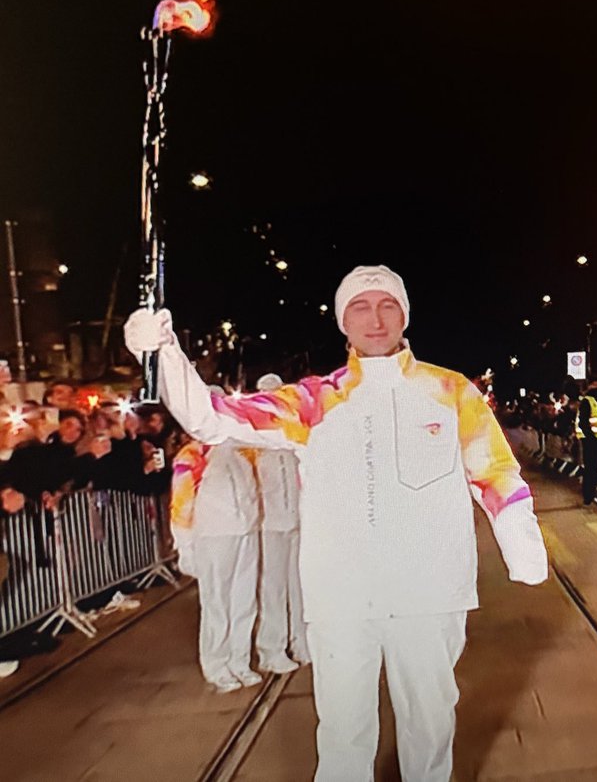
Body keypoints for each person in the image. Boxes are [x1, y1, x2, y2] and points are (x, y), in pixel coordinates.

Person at [124, 264, 547, 782]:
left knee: (430, 726)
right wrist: (163, 352)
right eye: (360, 308)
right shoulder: (312, 400)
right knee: (344, 735)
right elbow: (212, 417)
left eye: (387, 305)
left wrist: (521, 544)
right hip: (343, 597)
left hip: (430, 593)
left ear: (404, 316)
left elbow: (496, 471)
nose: (375, 319)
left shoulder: (451, 390)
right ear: (343, 323)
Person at [171, 422, 264, 694]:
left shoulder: (244, 452)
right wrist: (184, 546)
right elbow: (180, 503)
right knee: (217, 603)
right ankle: (216, 664)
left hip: (246, 532)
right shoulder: (191, 456)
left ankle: (240, 660)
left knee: (244, 601)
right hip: (214, 536)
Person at [252, 373, 310, 673]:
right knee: (272, 588)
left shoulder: (292, 436)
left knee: (299, 585)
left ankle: (300, 641)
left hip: (296, 521)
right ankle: (270, 649)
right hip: (268, 524)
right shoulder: (250, 440)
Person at [575, 380, 597, 507]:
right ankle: (587, 496)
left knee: (594, 469)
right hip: (590, 441)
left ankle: (592, 494)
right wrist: (591, 438)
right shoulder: (587, 401)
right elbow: (583, 422)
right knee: (589, 469)